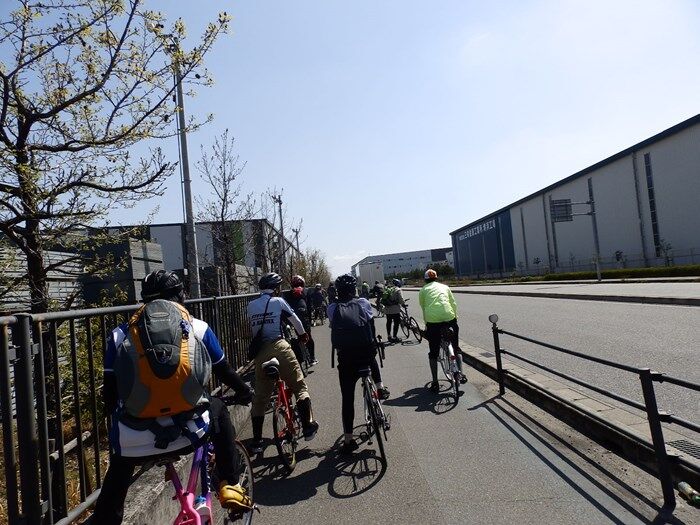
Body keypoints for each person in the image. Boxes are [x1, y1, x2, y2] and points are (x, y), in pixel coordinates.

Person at [92, 270, 254, 524]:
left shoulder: (120, 334)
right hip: (190, 432)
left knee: (120, 463)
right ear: (181, 296)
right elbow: (224, 371)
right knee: (218, 408)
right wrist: (244, 391)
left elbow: (110, 395)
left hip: (136, 441)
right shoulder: (198, 327)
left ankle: (106, 519)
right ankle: (231, 484)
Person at [247, 272, 319, 454]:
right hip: (280, 347)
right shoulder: (278, 302)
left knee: (260, 398)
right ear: (276, 288)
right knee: (299, 386)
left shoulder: (251, 305)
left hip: (260, 353)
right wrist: (303, 336)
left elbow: (249, 329)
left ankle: (257, 441)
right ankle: (308, 427)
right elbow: (295, 320)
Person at [328, 274, 390, 454]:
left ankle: (348, 440)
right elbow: (370, 324)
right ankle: (380, 387)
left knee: (347, 399)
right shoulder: (363, 303)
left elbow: (333, 326)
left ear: (338, 291)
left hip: (346, 358)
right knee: (371, 356)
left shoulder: (332, 308)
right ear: (353, 289)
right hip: (365, 353)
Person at [418, 268, 467, 393]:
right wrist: (454, 319)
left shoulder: (423, 290)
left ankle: (435, 382)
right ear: (436, 278)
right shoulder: (445, 287)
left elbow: (424, 308)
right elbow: (453, 303)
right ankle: (461, 374)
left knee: (433, 353)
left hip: (433, 322)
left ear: (425, 280)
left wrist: (426, 325)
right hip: (449, 319)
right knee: (456, 348)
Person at [282, 275, 317, 365]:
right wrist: (310, 319)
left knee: (290, 337)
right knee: (308, 337)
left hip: (290, 318)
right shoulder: (306, 292)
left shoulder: (287, 294)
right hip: (303, 317)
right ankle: (312, 358)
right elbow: (309, 307)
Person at [383, 278, 405, 343]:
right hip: (395, 310)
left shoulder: (388, 289)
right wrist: (403, 304)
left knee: (389, 322)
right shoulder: (398, 289)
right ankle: (394, 337)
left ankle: (389, 336)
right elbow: (401, 299)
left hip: (387, 309)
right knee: (396, 323)